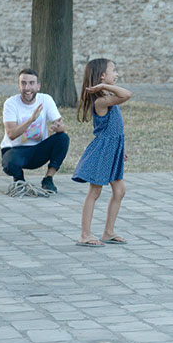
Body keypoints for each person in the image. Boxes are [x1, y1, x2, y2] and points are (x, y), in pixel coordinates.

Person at [72, 58, 132, 247]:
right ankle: (85, 234)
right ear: (103, 76)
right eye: (114, 71)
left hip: (113, 151)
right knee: (95, 192)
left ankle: (108, 231)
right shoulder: (101, 101)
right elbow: (126, 94)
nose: (117, 74)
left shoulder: (106, 97)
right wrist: (103, 87)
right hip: (102, 152)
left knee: (120, 191)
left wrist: (120, 150)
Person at [0, 69, 70, 196]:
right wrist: (31, 120)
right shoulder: (10, 103)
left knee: (63, 138)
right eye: (23, 83)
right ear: (19, 86)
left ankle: (48, 179)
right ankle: (19, 180)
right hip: (15, 150)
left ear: (38, 86)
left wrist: (58, 127)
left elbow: (61, 126)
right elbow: (11, 134)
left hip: (38, 150)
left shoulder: (46, 99)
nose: (27, 87)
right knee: (10, 162)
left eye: (31, 83)